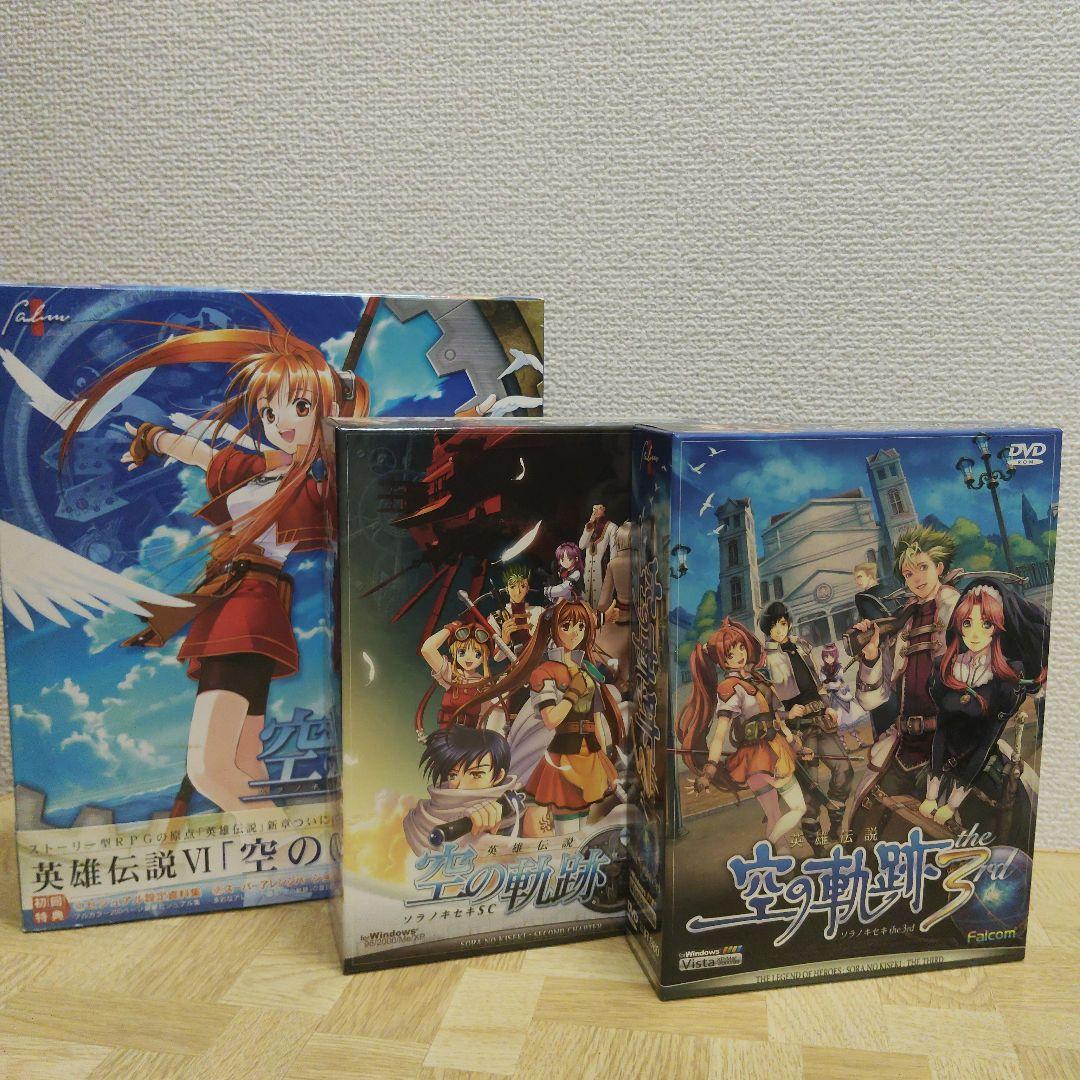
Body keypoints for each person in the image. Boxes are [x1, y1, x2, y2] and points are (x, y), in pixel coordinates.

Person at [58, 297, 369, 813]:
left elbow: (356, 490)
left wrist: (349, 437)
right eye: (269, 411)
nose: (281, 421)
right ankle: (279, 845)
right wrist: (149, 438)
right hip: (233, 604)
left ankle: (278, 843)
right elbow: (201, 453)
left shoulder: (316, 487)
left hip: (247, 607)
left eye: (301, 406)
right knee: (245, 760)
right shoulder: (256, 470)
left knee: (210, 769)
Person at [462, 598, 624, 835]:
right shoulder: (544, 672)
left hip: (589, 754)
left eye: (581, 626)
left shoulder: (588, 670)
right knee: (568, 829)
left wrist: (604, 755)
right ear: (554, 630)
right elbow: (551, 720)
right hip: (563, 755)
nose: (574, 633)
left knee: (584, 826)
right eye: (566, 626)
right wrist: (572, 694)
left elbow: (596, 718)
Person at [843, 524, 960, 839]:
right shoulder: (902, 621)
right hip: (904, 745)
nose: (916, 578)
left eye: (923, 567)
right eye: (908, 573)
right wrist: (870, 656)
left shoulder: (960, 611)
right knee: (863, 825)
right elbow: (872, 699)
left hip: (951, 743)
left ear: (939, 567)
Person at [922, 578, 1047, 841]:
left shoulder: (1007, 677)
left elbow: (987, 742)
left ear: (997, 627)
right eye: (968, 623)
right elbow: (942, 731)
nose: (975, 634)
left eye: (986, 624)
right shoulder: (944, 668)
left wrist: (952, 804)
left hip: (980, 764)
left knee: (1011, 817)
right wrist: (931, 794)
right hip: (942, 764)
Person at [678, 617, 806, 854]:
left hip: (770, 751)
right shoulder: (730, 689)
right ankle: (767, 847)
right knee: (799, 808)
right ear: (721, 660)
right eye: (730, 653)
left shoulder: (755, 679)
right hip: (763, 758)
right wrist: (709, 769)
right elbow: (719, 734)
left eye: (740, 647)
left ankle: (781, 857)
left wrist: (790, 728)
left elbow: (772, 718)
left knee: (774, 815)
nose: (739, 655)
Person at [760, 602, 852, 846]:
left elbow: (817, 684)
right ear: (767, 630)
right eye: (773, 626)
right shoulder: (766, 660)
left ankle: (835, 825)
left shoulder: (801, 646)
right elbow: (766, 704)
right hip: (798, 730)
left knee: (844, 770)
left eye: (782, 624)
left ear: (788, 623)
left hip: (821, 720)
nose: (779, 630)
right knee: (810, 791)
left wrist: (828, 705)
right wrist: (787, 714)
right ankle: (818, 849)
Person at [402, 726, 519, 855]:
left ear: (498, 776)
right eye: (453, 775)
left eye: (475, 774)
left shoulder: (514, 813)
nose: (461, 786)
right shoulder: (418, 818)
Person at [416, 620, 499, 735]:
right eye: (462, 652)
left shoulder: (485, 684)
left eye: (477, 654)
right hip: (447, 736)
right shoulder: (452, 675)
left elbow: (484, 717)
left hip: (470, 738)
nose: (468, 658)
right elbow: (427, 649)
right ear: (454, 653)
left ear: (484, 656)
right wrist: (450, 629)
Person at [596, 521, 632, 694]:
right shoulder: (645, 562)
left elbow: (603, 600)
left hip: (619, 616)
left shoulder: (613, 564)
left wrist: (602, 616)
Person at [579, 504, 616, 607]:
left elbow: (614, 552)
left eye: (599, 507)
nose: (595, 510)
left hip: (602, 571)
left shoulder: (612, 527)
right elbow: (581, 545)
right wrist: (590, 525)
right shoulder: (589, 525)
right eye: (594, 508)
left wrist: (611, 574)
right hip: (587, 573)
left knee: (601, 603)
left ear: (604, 509)